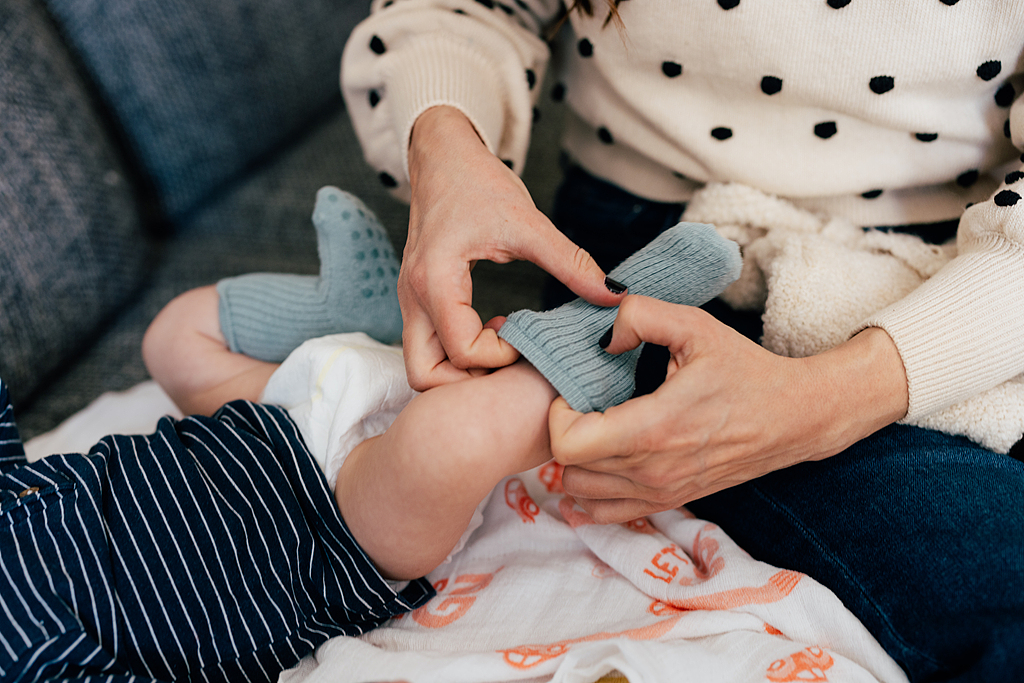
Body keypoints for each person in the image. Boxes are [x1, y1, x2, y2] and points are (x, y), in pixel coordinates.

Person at [339, 1, 1024, 680]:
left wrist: (826, 403)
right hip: (647, 264)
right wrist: (446, 148)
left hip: (978, 269)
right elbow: (467, 11)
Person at [0, 185, 739, 681]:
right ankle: (602, 336)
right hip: (328, 535)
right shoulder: (27, 651)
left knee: (172, 338)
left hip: (256, 421)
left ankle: (350, 315)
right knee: (447, 442)